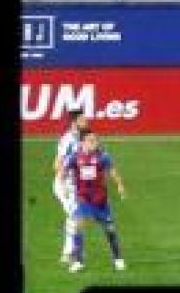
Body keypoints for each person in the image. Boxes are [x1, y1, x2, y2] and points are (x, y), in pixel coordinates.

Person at [63, 130, 127, 273]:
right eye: (90, 140)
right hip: (83, 199)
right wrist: (64, 185)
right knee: (78, 225)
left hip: (100, 200)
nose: (94, 143)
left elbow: (112, 172)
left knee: (109, 229)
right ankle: (78, 261)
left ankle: (118, 258)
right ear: (82, 143)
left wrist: (120, 185)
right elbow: (64, 171)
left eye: (95, 140)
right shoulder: (75, 157)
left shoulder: (103, 157)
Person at [52, 111, 91, 263]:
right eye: (83, 119)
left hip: (76, 186)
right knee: (76, 217)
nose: (86, 121)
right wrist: (65, 183)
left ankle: (69, 252)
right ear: (74, 122)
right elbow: (56, 164)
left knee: (77, 217)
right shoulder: (67, 140)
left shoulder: (84, 137)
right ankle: (69, 253)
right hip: (66, 186)